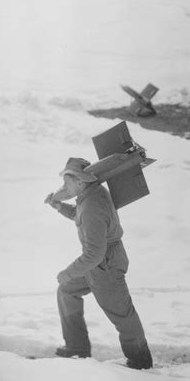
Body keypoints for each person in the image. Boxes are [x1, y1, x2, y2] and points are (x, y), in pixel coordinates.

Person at [44, 157, 153, 369]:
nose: (64, 188)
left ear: (80, 182)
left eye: (67, 183)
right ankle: (77, 347)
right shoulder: (91, 193)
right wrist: (60, 207)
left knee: (122, 315)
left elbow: (94, 253)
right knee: (67, 291)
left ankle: (140, 360)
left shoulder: (92, 205)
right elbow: (80, 216)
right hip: (98, 263)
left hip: (106, 266)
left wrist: (68, 272)